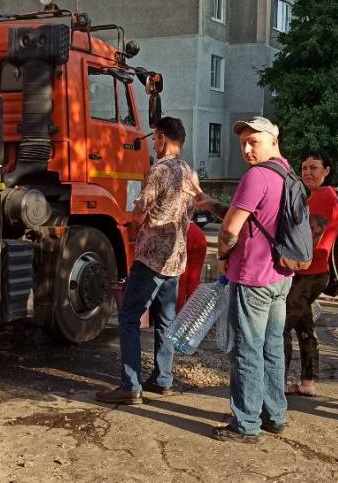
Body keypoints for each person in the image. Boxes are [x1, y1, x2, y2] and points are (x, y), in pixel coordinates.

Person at [196, 116, 293, 443]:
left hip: (252, 278)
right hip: (280, 275)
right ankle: (275, 415)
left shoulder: (257, 176)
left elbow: (230, 230)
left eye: (255, 142)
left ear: (273, 140)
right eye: (243, 143)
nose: (247, 149)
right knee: (272, 347)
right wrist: (211, 204)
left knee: (247, 350)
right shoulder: (287, 173)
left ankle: (246, 425)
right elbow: (256, 217)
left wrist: (222, 257)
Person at [97, 117, 199, 405]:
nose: (154, 143)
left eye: (155, 138)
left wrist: (132, 226)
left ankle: (130, 385)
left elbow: (141, 209)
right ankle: (163, 379)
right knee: (166, 319)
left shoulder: (159, 170)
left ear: (163, 138)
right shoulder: (189, 173)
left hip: (152, 256)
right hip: (176, 257)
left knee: (129, 317)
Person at [284, 150, 338, 397]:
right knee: (304, 327)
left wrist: (286, 262)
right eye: (304, 167)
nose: (307, 172)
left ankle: (274, 383)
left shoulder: (322, 197)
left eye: (314, 168)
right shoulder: (319, 196)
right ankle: (307, 382)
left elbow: (310, 241)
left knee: (280, 327)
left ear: (326, 171)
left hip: (309, 272)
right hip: (314, 272)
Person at [177, 221, 209, 312]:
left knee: (180, 279)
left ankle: (178, 315)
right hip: (196, 232)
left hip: (178, 230)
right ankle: (192, 313)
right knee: (194, 278)